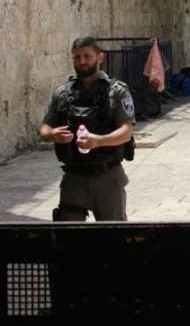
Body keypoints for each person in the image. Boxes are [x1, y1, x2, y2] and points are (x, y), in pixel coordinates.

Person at [40, 37, 135, 221]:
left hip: (107, 176)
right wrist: (53, 135)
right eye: (77, 57)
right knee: (69, 238)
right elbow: (44, 128)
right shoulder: (62, 93)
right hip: (74, 177)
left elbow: (126, 131)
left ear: (100, 57)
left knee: (113, 236)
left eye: (87, 56)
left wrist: (98, 141)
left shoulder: (116, 91)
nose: (82, 61)